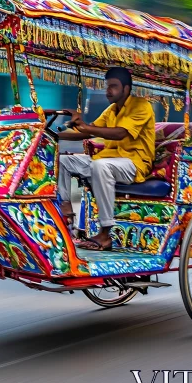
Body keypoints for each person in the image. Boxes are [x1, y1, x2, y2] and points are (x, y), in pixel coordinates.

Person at [57, 67, 155, 251]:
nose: (108, 91)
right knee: (64, 160)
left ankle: (104, 233)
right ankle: (66, 209)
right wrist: (53, 134)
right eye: (107, 86)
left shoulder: (142, 106)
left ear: (126, 89)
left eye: (113, 87)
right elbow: (86, 131)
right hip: (109, 160)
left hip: (134, 163)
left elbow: (120, 133)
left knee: (101, 166)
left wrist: (86, 128)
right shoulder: (111, 110)